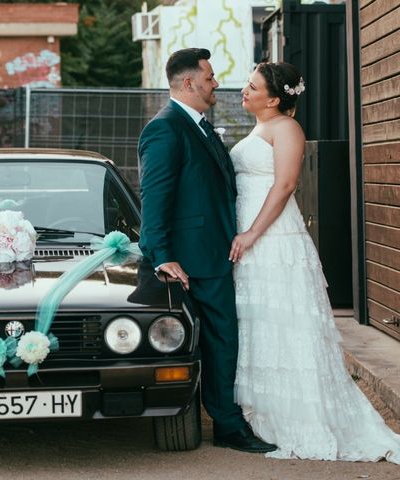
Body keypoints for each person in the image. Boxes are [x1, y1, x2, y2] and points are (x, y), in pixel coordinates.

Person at [230, 61, 400, 466]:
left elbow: (285, 185)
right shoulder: (260, 128)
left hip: (274, 240)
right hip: (251, 241)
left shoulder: (287, 129)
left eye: (251, 86)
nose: (244, 91)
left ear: (275, 99)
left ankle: (302, 418)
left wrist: (252, 234)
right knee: (262, 327)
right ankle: (266, 416)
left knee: (287, 326)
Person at [138, 47, 275, 453]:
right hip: (192, 258)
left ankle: (225, 422)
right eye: (210, 77)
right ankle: (228, 427)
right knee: (219, 339)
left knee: (222, 339)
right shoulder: (165, 128)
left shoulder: (197, 125)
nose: (216, 84)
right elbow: (155, 197)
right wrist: (162, 254)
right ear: (188, 83)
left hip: (213, 253)